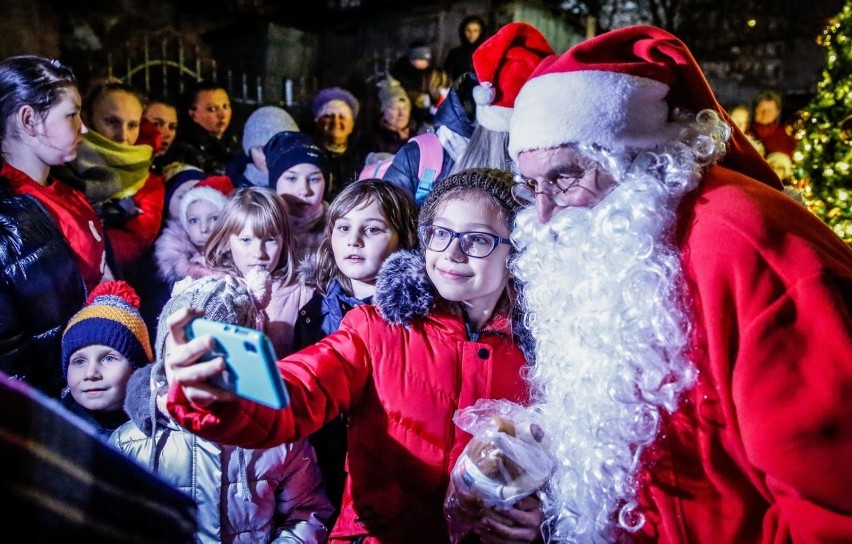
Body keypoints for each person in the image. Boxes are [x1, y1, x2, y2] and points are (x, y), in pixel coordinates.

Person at [507, 24, 852, 542]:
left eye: (562, 176)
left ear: (630, 157)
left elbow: (831, 507)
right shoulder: (617, 241)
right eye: (530, 184)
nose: (544, 211)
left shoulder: (746, 245)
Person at [163, 168, 544, 543]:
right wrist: (226, 393)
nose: (452, 253)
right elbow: (301, 388)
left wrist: (543, 520)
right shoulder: (377, 327)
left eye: (477, 239)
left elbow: (572, 469)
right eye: (441, 233)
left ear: (517, 251)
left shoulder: (543, 352)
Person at [110, 274, 333, 544]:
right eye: (179, 356)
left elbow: (307, 513)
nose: (191, 370)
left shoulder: (278, 437)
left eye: (207, 358)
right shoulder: (131, 443)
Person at [294, 179, 419, 517]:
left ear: (403, 238)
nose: (354, 240)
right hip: (327, 477)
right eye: (343, 227)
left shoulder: (419, 317)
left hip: (396, 483)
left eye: (373, 229)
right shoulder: (313, 311)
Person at [0, 55, 111, 398]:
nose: (84, 127)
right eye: (71, 114)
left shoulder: (69, 195)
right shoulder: (7, 220)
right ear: (29, 120)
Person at [57, 78, 165, 276]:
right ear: (88, 118)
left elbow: (135, 242)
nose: (123, 135)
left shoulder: (149, 182)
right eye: (111, 122)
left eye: (132, 125)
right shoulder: (59, 164)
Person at [203, 186, 314, 357]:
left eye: (270, 240)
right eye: (246, 240)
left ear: (284, 241)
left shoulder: (304, 294)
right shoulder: (210, 293)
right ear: (226, 241)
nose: (259, 253)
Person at [449, 21, 553, 176]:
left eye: (476, 30)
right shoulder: (546, 174)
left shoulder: (460, 163)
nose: (471, 34)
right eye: (468, 30)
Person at [60, 280, 152, 441]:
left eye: (108, 358)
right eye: (79, 361)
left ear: (138, 368)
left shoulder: (162, 431)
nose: (90, 373)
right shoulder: (54, 432)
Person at [154, 175, 233, 288]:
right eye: (194, 220)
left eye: (214, 218)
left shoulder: (242, 259)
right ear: (185, 224)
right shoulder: (172, 267)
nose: (203, 229)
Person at [263, 130, 330, 264]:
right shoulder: (261, 226)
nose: (304, 190)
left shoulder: (338, 228)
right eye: (292, 178)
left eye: (314, 179)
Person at [161, 80, 241, 175]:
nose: (222, 115)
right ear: (193, 114)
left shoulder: (237, 141)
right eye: (212, 109)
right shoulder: (185, 150)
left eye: (225, 106)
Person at [226, 105, 300, 188]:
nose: (268, 156)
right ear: (250, 151)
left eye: (277, 147)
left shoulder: (308, 184)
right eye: (261, 149)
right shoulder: (232, 188)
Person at [310, 86, 364, 200]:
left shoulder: (362, 157)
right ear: (317, 122)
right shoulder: (310, 156)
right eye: (328, 116)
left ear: (352, 125)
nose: (336, 122)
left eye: (342, 116)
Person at [358, 76, 414, 157]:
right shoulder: (372, 141)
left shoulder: (419, 134)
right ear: (383, 112)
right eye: (394, 108)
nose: (401, 114)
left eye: (405, 108)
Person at [390, 39, 435, 127]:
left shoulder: (431, 74)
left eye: (426, 60)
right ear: (412, 59)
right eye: (421, 59)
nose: (425, 63)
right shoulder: (401, 73)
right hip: (406, 120)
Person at [748, 88, 796, 158]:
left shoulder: (787, 137)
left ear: (777, 112)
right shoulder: (745, 131)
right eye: (761, 109)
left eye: (769, 110)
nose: (765, 114)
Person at [443, 15, 488, 81]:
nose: (472, 34)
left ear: (480, 32)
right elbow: (446, 76)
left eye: (475, 31)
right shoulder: (455, 54)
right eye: (468, 30)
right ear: (463, 31)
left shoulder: (487, 53)